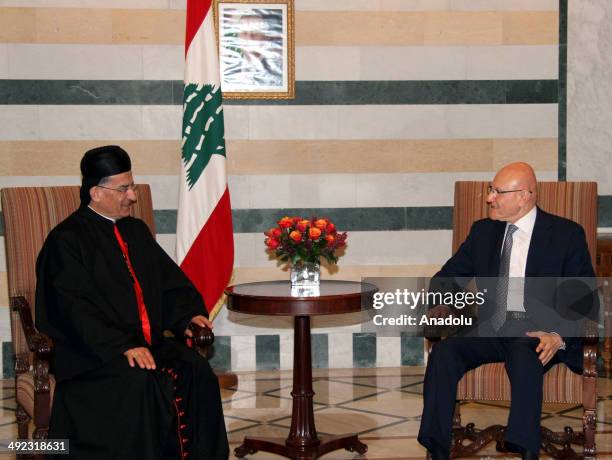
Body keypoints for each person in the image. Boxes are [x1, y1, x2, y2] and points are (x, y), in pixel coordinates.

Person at [35, 145, 229, 460]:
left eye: (133, 186)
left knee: (197, 370)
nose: (133, 196)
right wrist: (122, 344)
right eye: (124, 188)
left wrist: (188, 316)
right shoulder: (66, 241)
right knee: (139, 382)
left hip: (144, 343)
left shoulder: (135, 230)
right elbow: (73, 310)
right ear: (96, 193)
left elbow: (169, 285)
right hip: (93, 355)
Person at [417, 162, 597, 460]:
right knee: (443, 353)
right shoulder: (483, 232)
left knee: (524, 355)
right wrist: (445, 304)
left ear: (525, 196)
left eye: (498, 192)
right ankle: (436, 448)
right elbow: (446, 278)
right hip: (490, 327)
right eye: (491, 190)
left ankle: (525, 449)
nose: (490, 198)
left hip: (536, 331)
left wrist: (557, 334)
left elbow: (584, 298)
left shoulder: (566, 235)